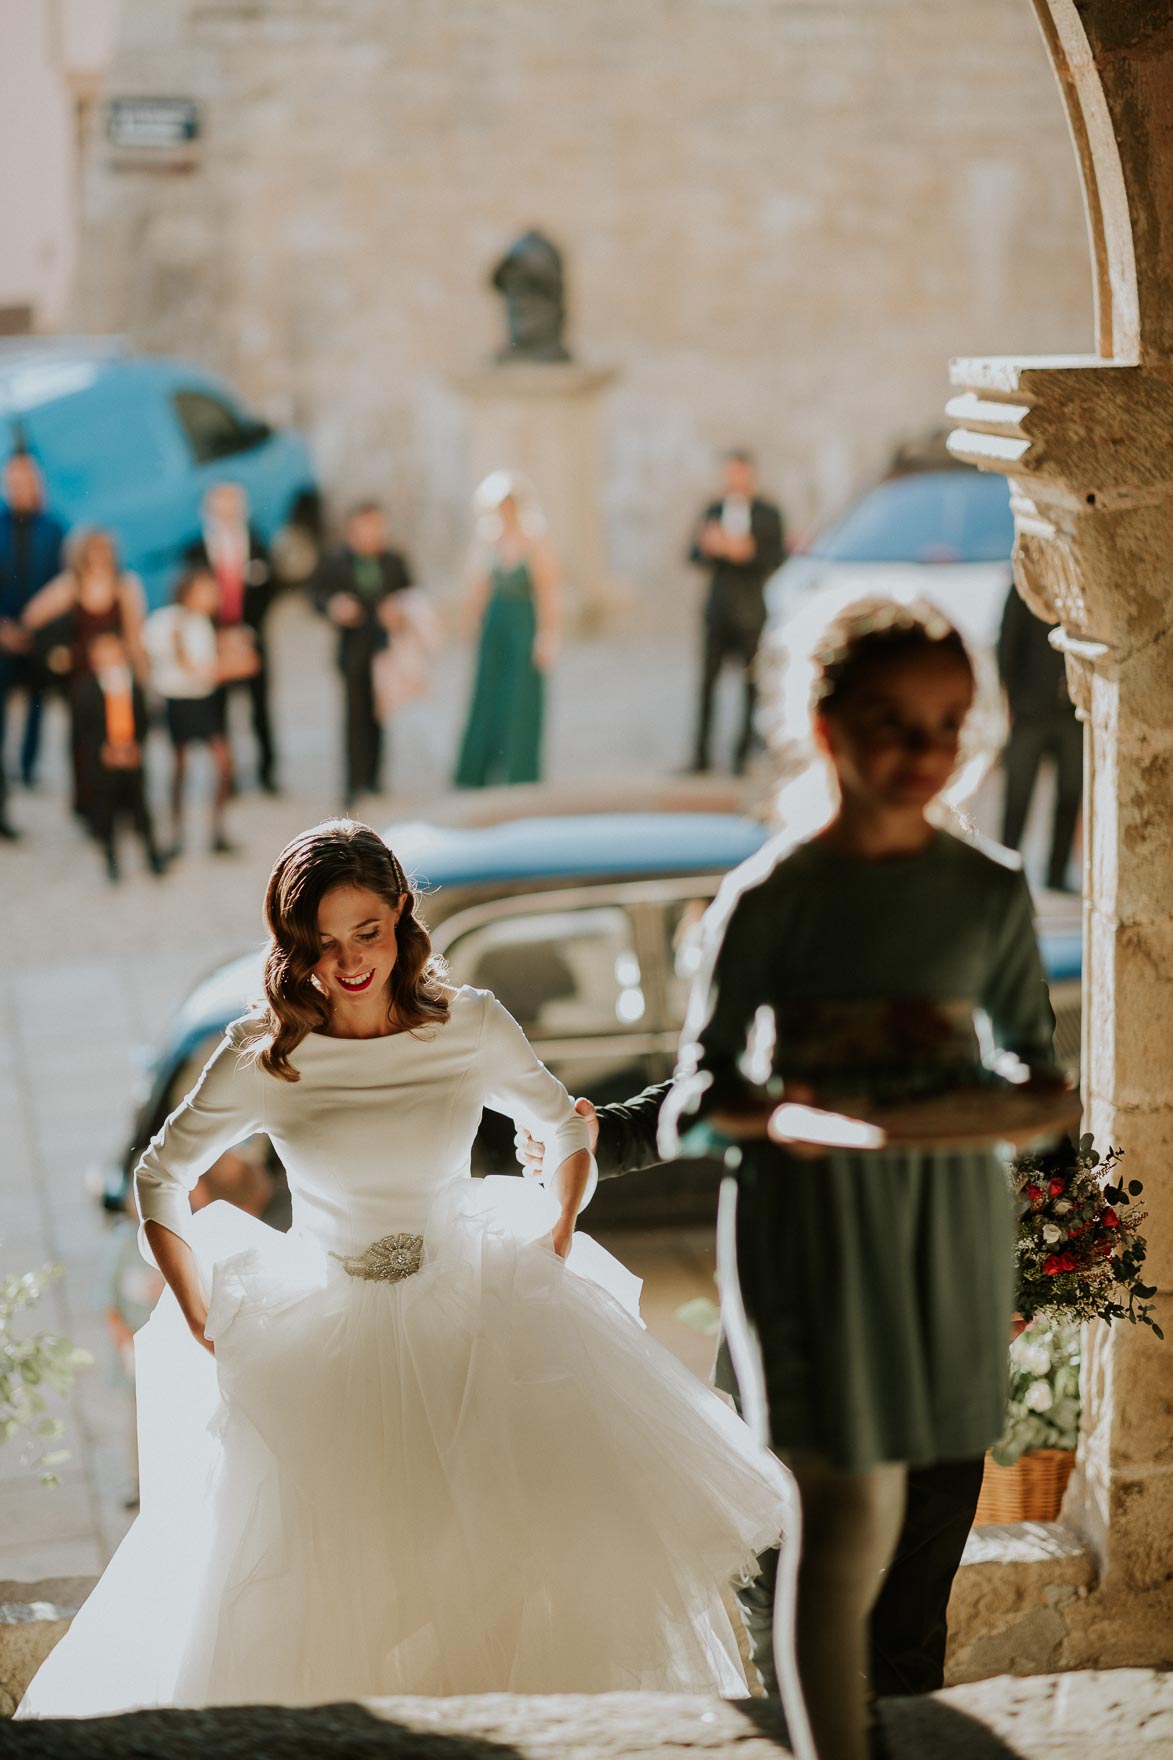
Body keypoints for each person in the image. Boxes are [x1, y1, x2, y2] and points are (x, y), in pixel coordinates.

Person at [17, 819, 789, 1717]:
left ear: (400, 922)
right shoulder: (265, 1055)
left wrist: (557, 1233)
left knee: (506, 1580)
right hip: (327, 1336)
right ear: (294, 945)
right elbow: (160, 1177)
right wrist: (197, 1312)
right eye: (322, 942)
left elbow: (565, 1126)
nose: (348, 962)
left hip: (474, 1318)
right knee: (338, 1596)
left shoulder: (471, 1026)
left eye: (367, 933)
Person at [658, 600, 1077, 1760]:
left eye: (949, 724)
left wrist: (994, 1118)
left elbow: (1045, 1088)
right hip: (805, 1225)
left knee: (929, 1519)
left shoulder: (988, 891)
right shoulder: (771, 898)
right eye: (893, 723)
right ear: (824, 722)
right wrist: (798, 1116)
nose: (925, 753)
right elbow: (698, 1098)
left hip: (944, 1228)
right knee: (832, 1524)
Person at [518, 1084, 990, 1701]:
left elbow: (1036, 1113)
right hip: (785, 1325)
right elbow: (717, 1072)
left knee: (906, 1619)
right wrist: (613, 1132)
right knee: (773, 1590)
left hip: (936, 1334)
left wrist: (1033, 1261)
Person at [22, 528, 148, 825]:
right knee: (85, 744)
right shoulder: (71, 585)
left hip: (116, 679)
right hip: (82, 682)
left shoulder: (124, 585)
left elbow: (134, 636)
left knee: (122, 738)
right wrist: (58, 653)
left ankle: (126, 806)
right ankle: (90, 808)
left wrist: (141, 678)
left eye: (105, 551)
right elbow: (32, 616)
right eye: (94, 551)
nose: (101, 558)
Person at [454, 471, 559, 789]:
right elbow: (479, 589)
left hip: (523, 626)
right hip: (495, 628)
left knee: (522, 696)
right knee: (488, 695)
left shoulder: (536, 543)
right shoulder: (490, 543)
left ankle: (521, 770)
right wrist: (473, 624)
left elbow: (548, 590)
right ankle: (478, 771)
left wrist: (548, 635)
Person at [688, 450, 786, 775]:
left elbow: (776, 555)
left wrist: (747, 551)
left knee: (751, 686)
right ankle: (700, 757)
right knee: (706, 686)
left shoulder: (768, 513)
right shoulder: (713, 510)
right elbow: (691, 554)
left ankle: (740, 757)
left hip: (750, 611)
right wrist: (709, 547)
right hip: (717, 610)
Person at [144, 565, 251, 858]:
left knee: (223, 763)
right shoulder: (167, 622)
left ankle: (217, 831)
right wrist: (232, 667)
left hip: (204, 702)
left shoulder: (203, 623)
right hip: (180, 702)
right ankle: (176, 833)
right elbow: (191, 668)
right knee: (181, 766)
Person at [313, 501, 413, 807]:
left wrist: (399, 609)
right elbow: (316, 596)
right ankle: (353, 783)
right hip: (353, 650)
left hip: (385, 650)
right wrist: (334, 606)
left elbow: (410, 594)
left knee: (379, 714)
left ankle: (374, 777)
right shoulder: (336, 561)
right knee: (353, 717)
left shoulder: (394, 560)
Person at [186, 482, 278, 793]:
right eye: (220, 506)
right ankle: (229, 776)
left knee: (260, 707)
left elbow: (271, 589)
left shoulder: (258, 543)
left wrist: (247, 629)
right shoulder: (196, 549)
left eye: (233, 505)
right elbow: (191, 594)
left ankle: (268, 772)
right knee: (220, 709)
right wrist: (216, 633)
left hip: (250, 634)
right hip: (215, 639)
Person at [997, 585, 1083, 892]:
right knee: (1018, 793)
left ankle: (1057, 875)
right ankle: (1006, 872)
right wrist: (1017, 702)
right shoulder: (1025, 585)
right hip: (1031, 711)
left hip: (1072, 714)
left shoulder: (1078, 583)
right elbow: (1007, 643)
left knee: (1070, 792)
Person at [0, 450, 66, 833]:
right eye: (16, 482)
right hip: (2, 638)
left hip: (39, 639)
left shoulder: (54, 528)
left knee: (38, 708)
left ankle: (28, 767)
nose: (24, 488)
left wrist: (37, 628)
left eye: (30, 481)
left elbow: (60, 580)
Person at [74, 629, 165, 881]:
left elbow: (145, 719)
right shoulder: (87, 688)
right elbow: (83, 729)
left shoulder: (133, 684)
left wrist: (136, 745)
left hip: (132, 756)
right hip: (104, 761)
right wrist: (103, 749)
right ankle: (111, 857)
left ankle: (151, 854)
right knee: (107, 810)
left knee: (140, 807)